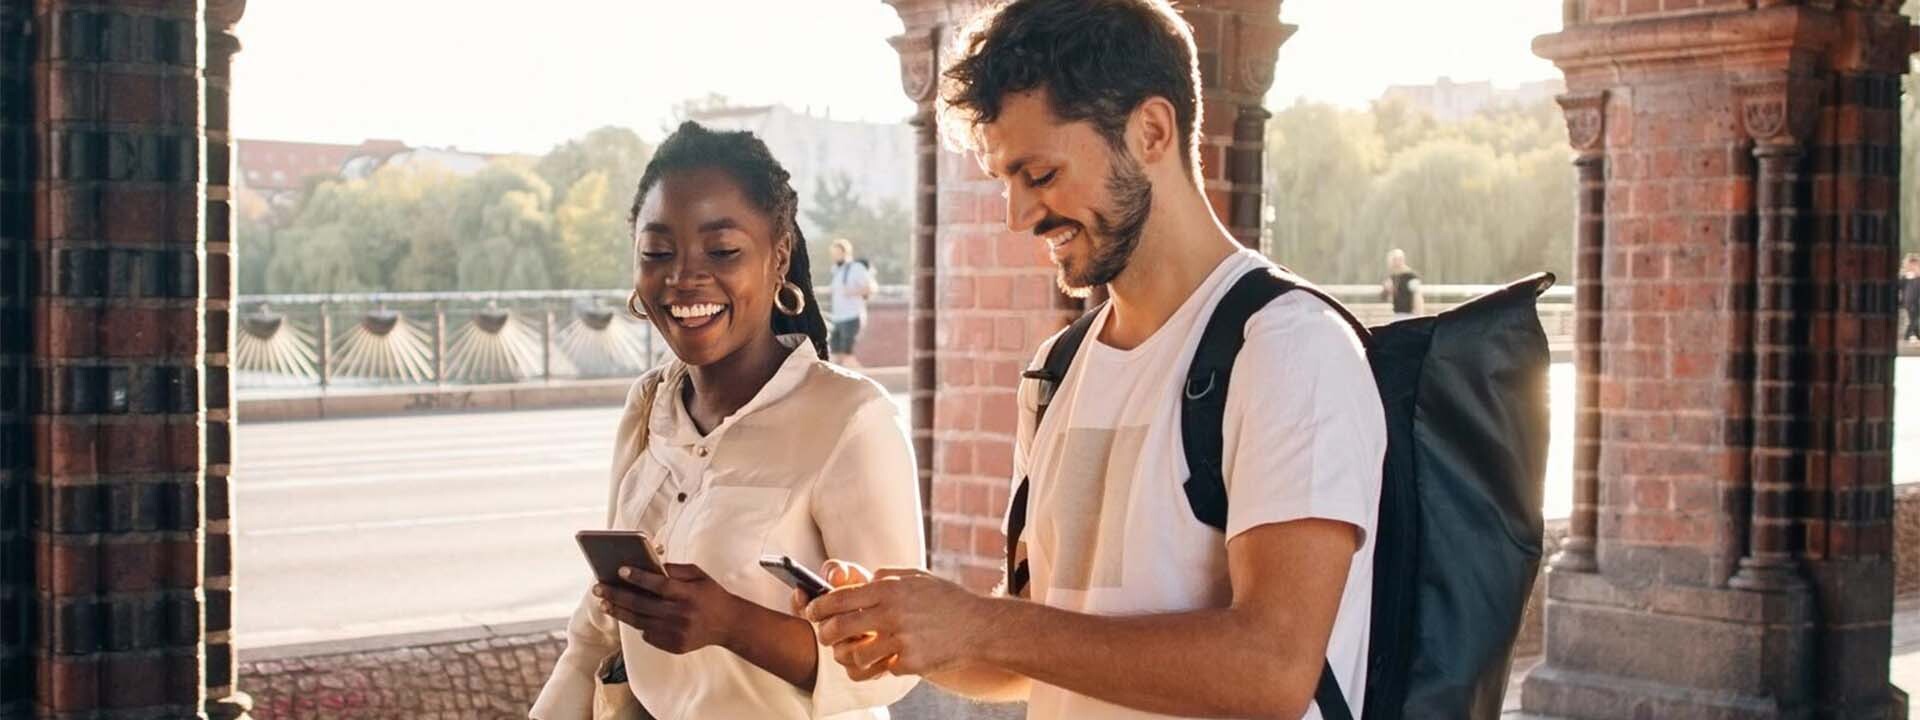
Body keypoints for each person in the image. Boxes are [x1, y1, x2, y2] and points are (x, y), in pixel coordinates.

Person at [803, 2, 1386, 718]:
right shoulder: (1057, 371)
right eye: (1003, 181)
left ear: (1150, 132)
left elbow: (1271, 669)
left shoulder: (1288, 347)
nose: (1018, 215)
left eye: (1040, 173)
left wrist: (983, 624)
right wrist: (917, 631)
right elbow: (1038, 649)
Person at [530, 122, 924, 719]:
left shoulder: (851, 420)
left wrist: (731, 624)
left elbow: (895, 662)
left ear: (779, 257)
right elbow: (599, 628)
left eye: (722, 251)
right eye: (657, 252)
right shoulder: (648, 408)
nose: (684, 277)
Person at [828, 238, 875, 365]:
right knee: (835, 354)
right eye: (834, 253)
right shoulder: (837, 270)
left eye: (838, 253)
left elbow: (871, 288)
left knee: (847, 354)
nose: (835, 256)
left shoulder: (856, 268)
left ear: (845, 252)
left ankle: (865, 379)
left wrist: (851, 292)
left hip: (852, 316)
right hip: (838, 318)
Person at [1382, 248, 1423, 319]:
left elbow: (1417, 296)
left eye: (1398, 259)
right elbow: (1385, 297)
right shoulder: (1392, 277)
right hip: (1397, 313)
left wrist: (1418, 316)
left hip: (1409, 314)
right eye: (1393, 260)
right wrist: (1387, 289)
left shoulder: (1411, 276)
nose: (1396, 262)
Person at [1902, 254, 1920, 343]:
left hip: (1916, 299)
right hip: (1909, 300)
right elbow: (1902, 286)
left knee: (1915, 317)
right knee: (1914, 318)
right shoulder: (1907, 275)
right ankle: (1910, 334)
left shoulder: (1916, 275)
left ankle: (1914, 334)